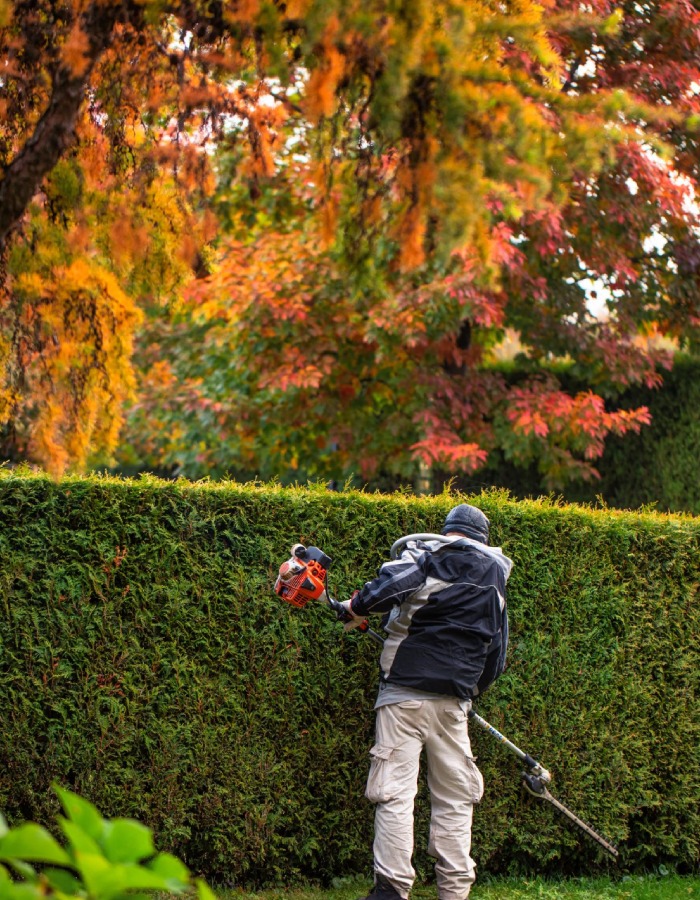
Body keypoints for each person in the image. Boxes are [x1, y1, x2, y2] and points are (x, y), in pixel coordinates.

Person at [339, 504, 513, 900]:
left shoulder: (429, 557)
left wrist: (354, 606)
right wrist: (468, 692)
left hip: (404, 696)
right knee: (455, 799)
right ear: (482, 541)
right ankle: (454, 892)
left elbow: (388, 588)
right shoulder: (496, 581)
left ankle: (392, 890)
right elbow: (496, 656)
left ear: (448, 531)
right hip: (455, 705)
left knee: (395, 793)